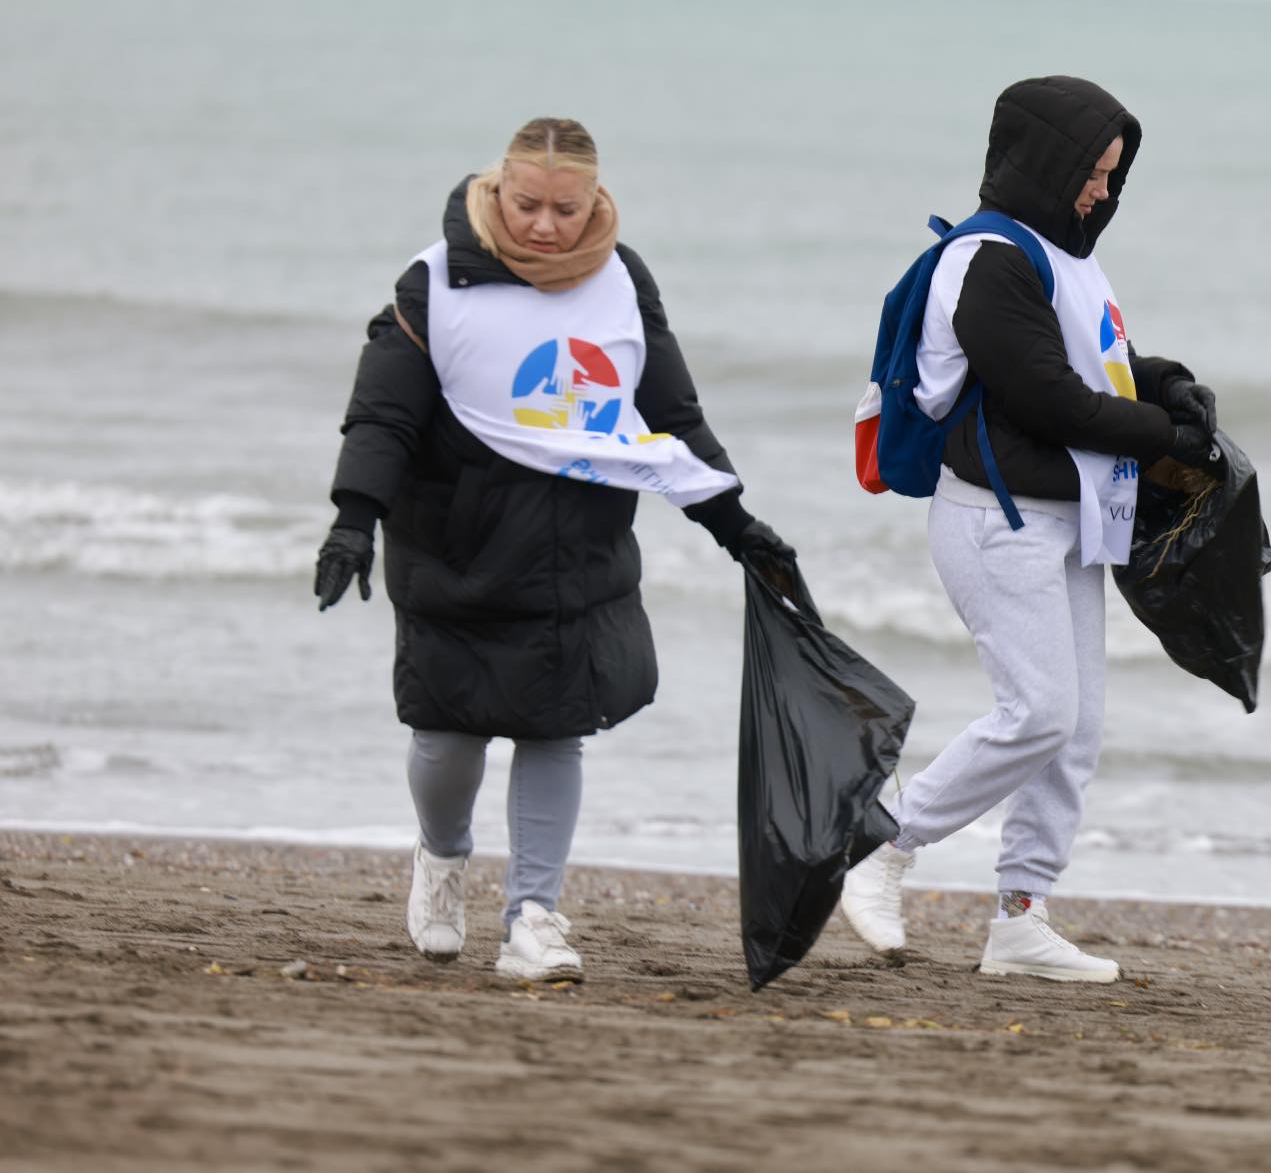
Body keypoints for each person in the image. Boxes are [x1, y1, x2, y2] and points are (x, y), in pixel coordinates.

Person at [316, 117, 794, 982]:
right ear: (497, 191)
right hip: (455, 546)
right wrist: (355, 518)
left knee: (556, 731)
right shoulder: (435, 283)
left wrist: (737, 525)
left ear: (595, 200)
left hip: (578, 549)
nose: (544, 225)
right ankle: (442, 857)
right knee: (448, 741)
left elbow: (671, 418)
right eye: (527, 205)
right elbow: (384, 413)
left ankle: (532, 918)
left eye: (565, 210)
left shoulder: (622, 281)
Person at [840, 76, 1218, 982]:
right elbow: (1048, 397)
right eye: (1092, 171)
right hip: (994, 519)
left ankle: (1020, 917)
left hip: (1073, 516)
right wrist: (1169, 440)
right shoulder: (988, 260)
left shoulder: (1067, 257)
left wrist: (1170, 384)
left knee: (1074, 732)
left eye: (1113, 174)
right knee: (1038, 713)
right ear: (1047, 161)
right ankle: (881, 842)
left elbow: (1102, 366)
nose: (1102, 190)